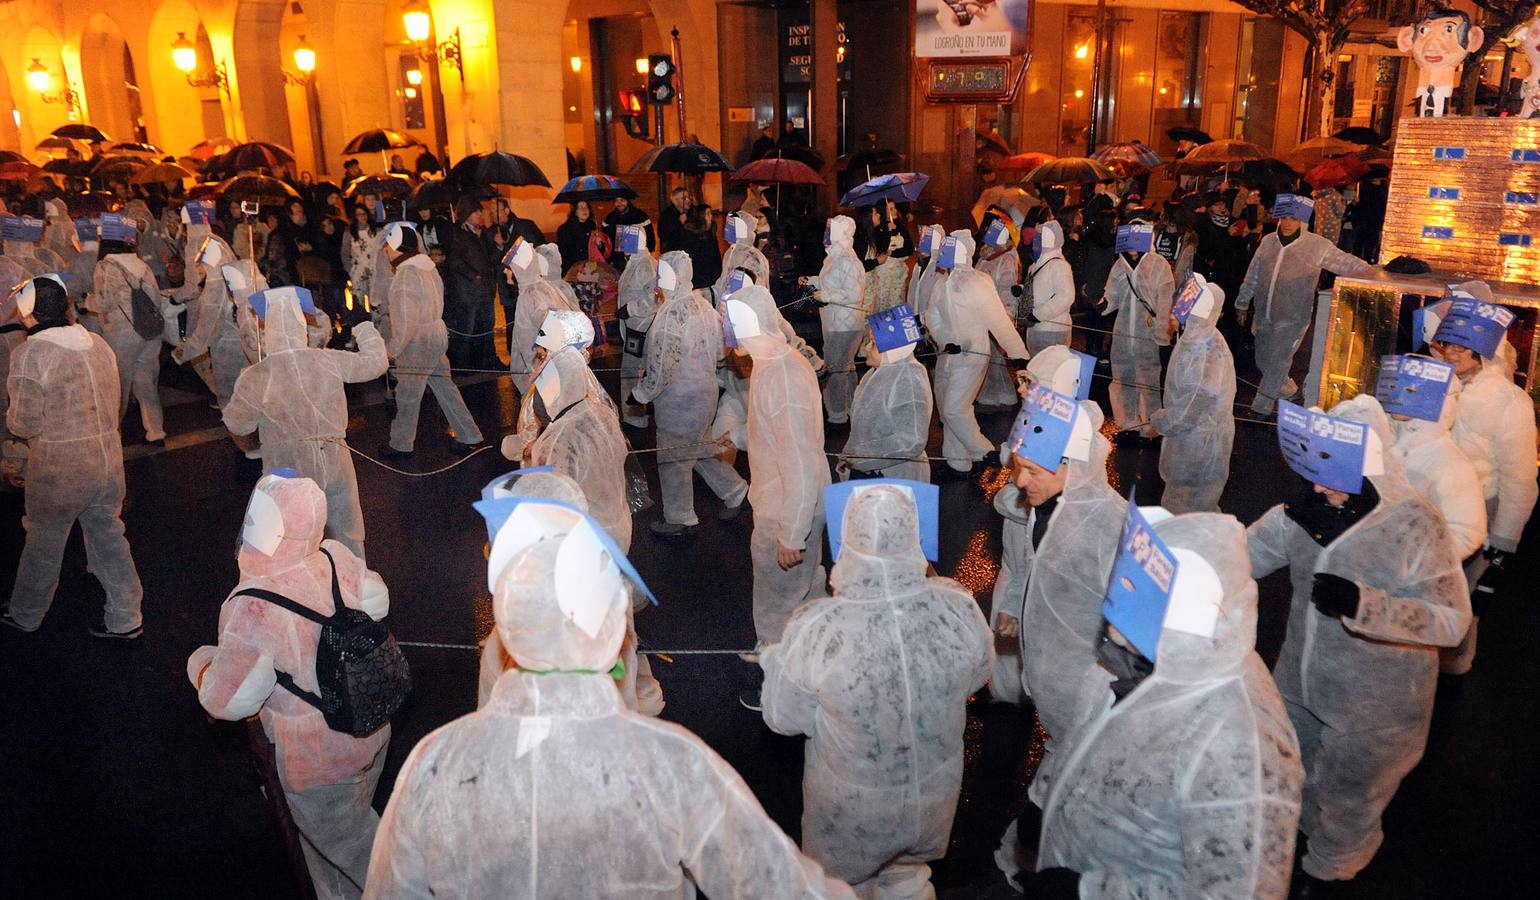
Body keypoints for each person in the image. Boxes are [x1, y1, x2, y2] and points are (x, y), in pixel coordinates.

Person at [364, 499, 855, 899]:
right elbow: (776, 887)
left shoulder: (434, 763)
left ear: (507, 627)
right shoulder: (671, 760)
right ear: (614, 628)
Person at [1248, 395, 1469, 889]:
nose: (1319, 484)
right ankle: (1303, 834)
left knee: (1352, 794)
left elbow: (1452, 620)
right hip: (1299, 680)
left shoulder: (1415, 524)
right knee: (1289, 765)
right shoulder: (1305, 510)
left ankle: (1334, 865)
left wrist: (1366, 606)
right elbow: (1247, 552)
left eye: (1332, 471)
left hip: (1379, 700)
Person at [1025, 513, 1304, 900]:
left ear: (1188, 618)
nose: (1112, 630)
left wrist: (1091, 893)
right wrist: (1043, 798)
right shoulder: (1131, 657)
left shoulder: (1241, 743)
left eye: (1138, 612)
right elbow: (1085, 735)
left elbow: (1238, 892)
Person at [760, 484, 991, 898]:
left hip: (851, 812)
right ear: (914, 535)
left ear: (847, 537)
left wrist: (777, 664)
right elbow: (976, 677)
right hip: (931, 799)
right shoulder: (958, 607)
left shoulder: (818, 628)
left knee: (842, 886)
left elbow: (783, 719)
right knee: (909, 877)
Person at [186, 474, 392, 900]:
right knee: (332, 847)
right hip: (371, 722)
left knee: (365, 853)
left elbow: (232, 700)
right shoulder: (336, 557)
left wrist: (202, 663)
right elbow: (377, 602)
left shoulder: (253, 604)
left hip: (317, 759)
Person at [2, 275, 144, 638]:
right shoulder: (98, 344)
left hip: (60, 469)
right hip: (108, 461)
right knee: (110, 539)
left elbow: (23, 422)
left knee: (44, 544)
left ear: (29, 312)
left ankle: (26, 613)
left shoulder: (31, 353)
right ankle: (127, 617)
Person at [223, 289, 389, 559]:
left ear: (268, 328)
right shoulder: (326, 359)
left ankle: (301, 594)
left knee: (290, 537)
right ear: (302, 324)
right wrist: (363, 325)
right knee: (347, 533)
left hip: (288, 465)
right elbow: (376, 363)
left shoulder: (258, 375)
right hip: (336, 454)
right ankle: (354, 589)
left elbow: (238, 424)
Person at [1429, 290, 1537, 673]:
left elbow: (1520, 480)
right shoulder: (1433, 385)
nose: (1451, 354)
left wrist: (1503, 543)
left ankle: (1451, 666)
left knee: (1459, 598)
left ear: (1483, 352)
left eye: (1462, 348)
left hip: (1476, 513)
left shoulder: (1508, 403)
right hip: (1430, 509)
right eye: (1448, 345)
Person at [725, 296, 829, 659]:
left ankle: (778, 669)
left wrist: (791, 533)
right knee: (804, 585)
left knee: (777, 596)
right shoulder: (770, 362)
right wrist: (738, 436)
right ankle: (821, 642)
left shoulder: (783, 377)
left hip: (787, 507)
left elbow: (799, 462)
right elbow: (774, 432)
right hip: (790, 501)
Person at [633, 255, 748, 536]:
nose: (659, 281)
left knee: (673, 459)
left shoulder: (669, 316)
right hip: (705, 396)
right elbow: (722, 351)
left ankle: (680, 519)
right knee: (699, 448)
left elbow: (663, 368)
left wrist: (640, 394)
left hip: (678, 402)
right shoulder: (704, 307)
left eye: (663, 275)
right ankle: (736, 491)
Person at [1235, 195, 1370, 416]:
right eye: (1284, 218)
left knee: (1278, 361)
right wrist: (1242, 302)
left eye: (1294, 219)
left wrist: (1375, 271)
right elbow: (1254, 274)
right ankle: (1288, 390)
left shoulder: (1316, 246)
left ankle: (1261, 407)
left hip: (1293, 318)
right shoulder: (1268, 241)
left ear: (1303, 221)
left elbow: (1346, 262)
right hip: (1264, 314)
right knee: (1263, 360)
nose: (1288, 223)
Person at [377, 224, 484, 459]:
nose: (385, 251)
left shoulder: (406, 275)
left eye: (388, 246)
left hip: (417, 341)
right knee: (445, 387)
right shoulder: (428, 267)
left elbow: (406, 320)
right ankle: (470, 434)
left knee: (408, 394)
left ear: (397, 247)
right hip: (436, 332)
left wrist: (392, 350)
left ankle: (400, 444)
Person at [930, 230, 1029, 473]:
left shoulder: (977, 282)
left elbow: (998, 321)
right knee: (946, 407)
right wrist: (944, 339)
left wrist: (1018, 353)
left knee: (955, 407)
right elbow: (932, 315)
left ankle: (985, 452)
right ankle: (958, 460)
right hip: (948, 355)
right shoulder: (942, 282)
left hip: (973, 356)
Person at [528, 345, 632, 551]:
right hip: (619, 528)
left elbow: (556, 505)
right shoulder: (603, 413)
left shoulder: (560, 438)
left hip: (589, 541)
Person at [1151, 273, 1235, 513]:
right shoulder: (1199, 338)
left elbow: (1192, 408)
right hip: (1198, 439)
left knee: (1187, 504)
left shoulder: (1202, 351)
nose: (1172, 316)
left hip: (1198, 443)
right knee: (1196, 503)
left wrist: (1161, 421)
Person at [1385, 366, 1486, 561]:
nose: (1398, 393)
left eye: (1411, 390)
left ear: (1439, 401)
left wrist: (1413, 564)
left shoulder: (1450, 463)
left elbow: (1466, 533)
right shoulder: (1382, 444)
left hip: (1408, 584)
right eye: (1394, 384)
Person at [89, 220, 167, 444]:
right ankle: (156, 431)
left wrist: (87, 302)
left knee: (118, 386)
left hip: (121, 333)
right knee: (147, 382)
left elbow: (104, 302)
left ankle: (114, 434)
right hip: (149, 332)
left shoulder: (105, 266)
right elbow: (155, 299)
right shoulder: (142, 264)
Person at [838, 306, 933, 483]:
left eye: (873, 344)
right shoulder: (880, 370)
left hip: (893, 475)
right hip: (870, 468)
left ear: (892, 349)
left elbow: (910, 441)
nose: (866, 348)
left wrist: (858, 458)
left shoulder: (908, 379)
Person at [1101, 220, 1174, 441]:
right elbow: (1111, 296)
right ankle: (1128, 424)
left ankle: (1150, 427)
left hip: (1148, 333)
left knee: (1149, 380)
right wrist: (1102, 304)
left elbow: (1165, 302)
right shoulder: (1119, 265)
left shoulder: (1158, 264)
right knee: (1123, 377)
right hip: (1123, 332)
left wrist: (1163, 335)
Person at [173, 239, 263, 411]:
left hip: (227, 352)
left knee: (231, 400)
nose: (200, 270)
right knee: (252, 393)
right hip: (249, 343)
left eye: (201, 266)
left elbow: (206, 331)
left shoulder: (215, 287)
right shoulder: (239, 272)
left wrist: (180, 353)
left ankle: (240, 435)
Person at [809, 215, 866, 425]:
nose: (825, 234)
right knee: (845, 366)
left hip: (846, 324)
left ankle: (838, 417)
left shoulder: (848, 260)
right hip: (835, 322)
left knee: (835, 369)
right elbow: (831, 281)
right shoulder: (834, 257)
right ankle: (852, 406)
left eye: (830, 230)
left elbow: (854, 293)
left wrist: (827, 296)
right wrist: (813, 281)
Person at [504, 238, 575, 395]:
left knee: (546, 414)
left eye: (510, 268)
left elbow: (551, 327)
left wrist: (540, 361)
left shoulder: (532, 294)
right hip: (540, 371)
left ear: (520, 268)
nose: (505, 271)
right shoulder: (534, 289)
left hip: (542, 373)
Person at [974, 210, 1024, 408]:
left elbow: (1007, 290)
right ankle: (997, 395)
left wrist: (1007, 317)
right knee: (990, 359)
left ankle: (1001, 396)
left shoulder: (1007, 259)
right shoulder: (986, 255)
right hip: (981, 313)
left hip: (997, 314)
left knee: (994, 358)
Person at [443, 195, 498, 369]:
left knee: (486, 328)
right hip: (467, 293)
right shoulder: (456, 235)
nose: (481, 215)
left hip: (485, 291)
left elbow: (490, 259)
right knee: (467, 330)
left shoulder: (484, 234)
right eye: (477, 212)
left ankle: (485, 361)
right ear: (467, 215)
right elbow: (453, 261)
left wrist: (497, 245)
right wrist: (473, 275)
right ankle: (462, 365)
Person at [615, 239, 659, 428]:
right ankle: (636, 414)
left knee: (633, 372)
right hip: (634, 327)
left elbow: (654, 297)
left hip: (642, 329)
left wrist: (631, 309)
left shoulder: (646, 265)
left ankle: (636, 418)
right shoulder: (634, 261)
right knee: (637, 370)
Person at [1025, 219, 1074, 355]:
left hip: (1053, 329)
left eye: (1039, 238)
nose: (1035, 242)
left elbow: (1066, 297)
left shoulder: (1059, 265)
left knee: (1050, 371)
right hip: (1035, 328)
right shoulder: (1035, 266)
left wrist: (1037, 315)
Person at [712, 212, 770, 303]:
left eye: (731, 225)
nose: (726, 229)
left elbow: (756, 291)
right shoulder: (730, 253)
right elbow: (723, 282)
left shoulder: (753, 257)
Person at [601, 194, 654, 259]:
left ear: (628, 201)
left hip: (637, 258)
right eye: (616, 201)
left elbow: (650, 237)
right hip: (617, 260)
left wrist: (648, 254)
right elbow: (606, 239)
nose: (619, 203)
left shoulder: (640, 216)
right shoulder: (609, 219)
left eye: (622, 200)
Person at [556, 200, 597, 275]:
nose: (584, 210)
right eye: (581, 208)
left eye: (586, 207)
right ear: (575, 211)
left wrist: (599, 243)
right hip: (572, 269)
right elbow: (564, 253)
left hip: (590, 268)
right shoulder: (565, 229)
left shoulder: (592, 227)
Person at [658, 186, 693, 252]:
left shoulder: (692, 213)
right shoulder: (667, 215)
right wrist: (679, 223)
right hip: (673, 253)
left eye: (689, 197)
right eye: (684, 198)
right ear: (675, 201)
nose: (688, 200)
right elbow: (663, 235)